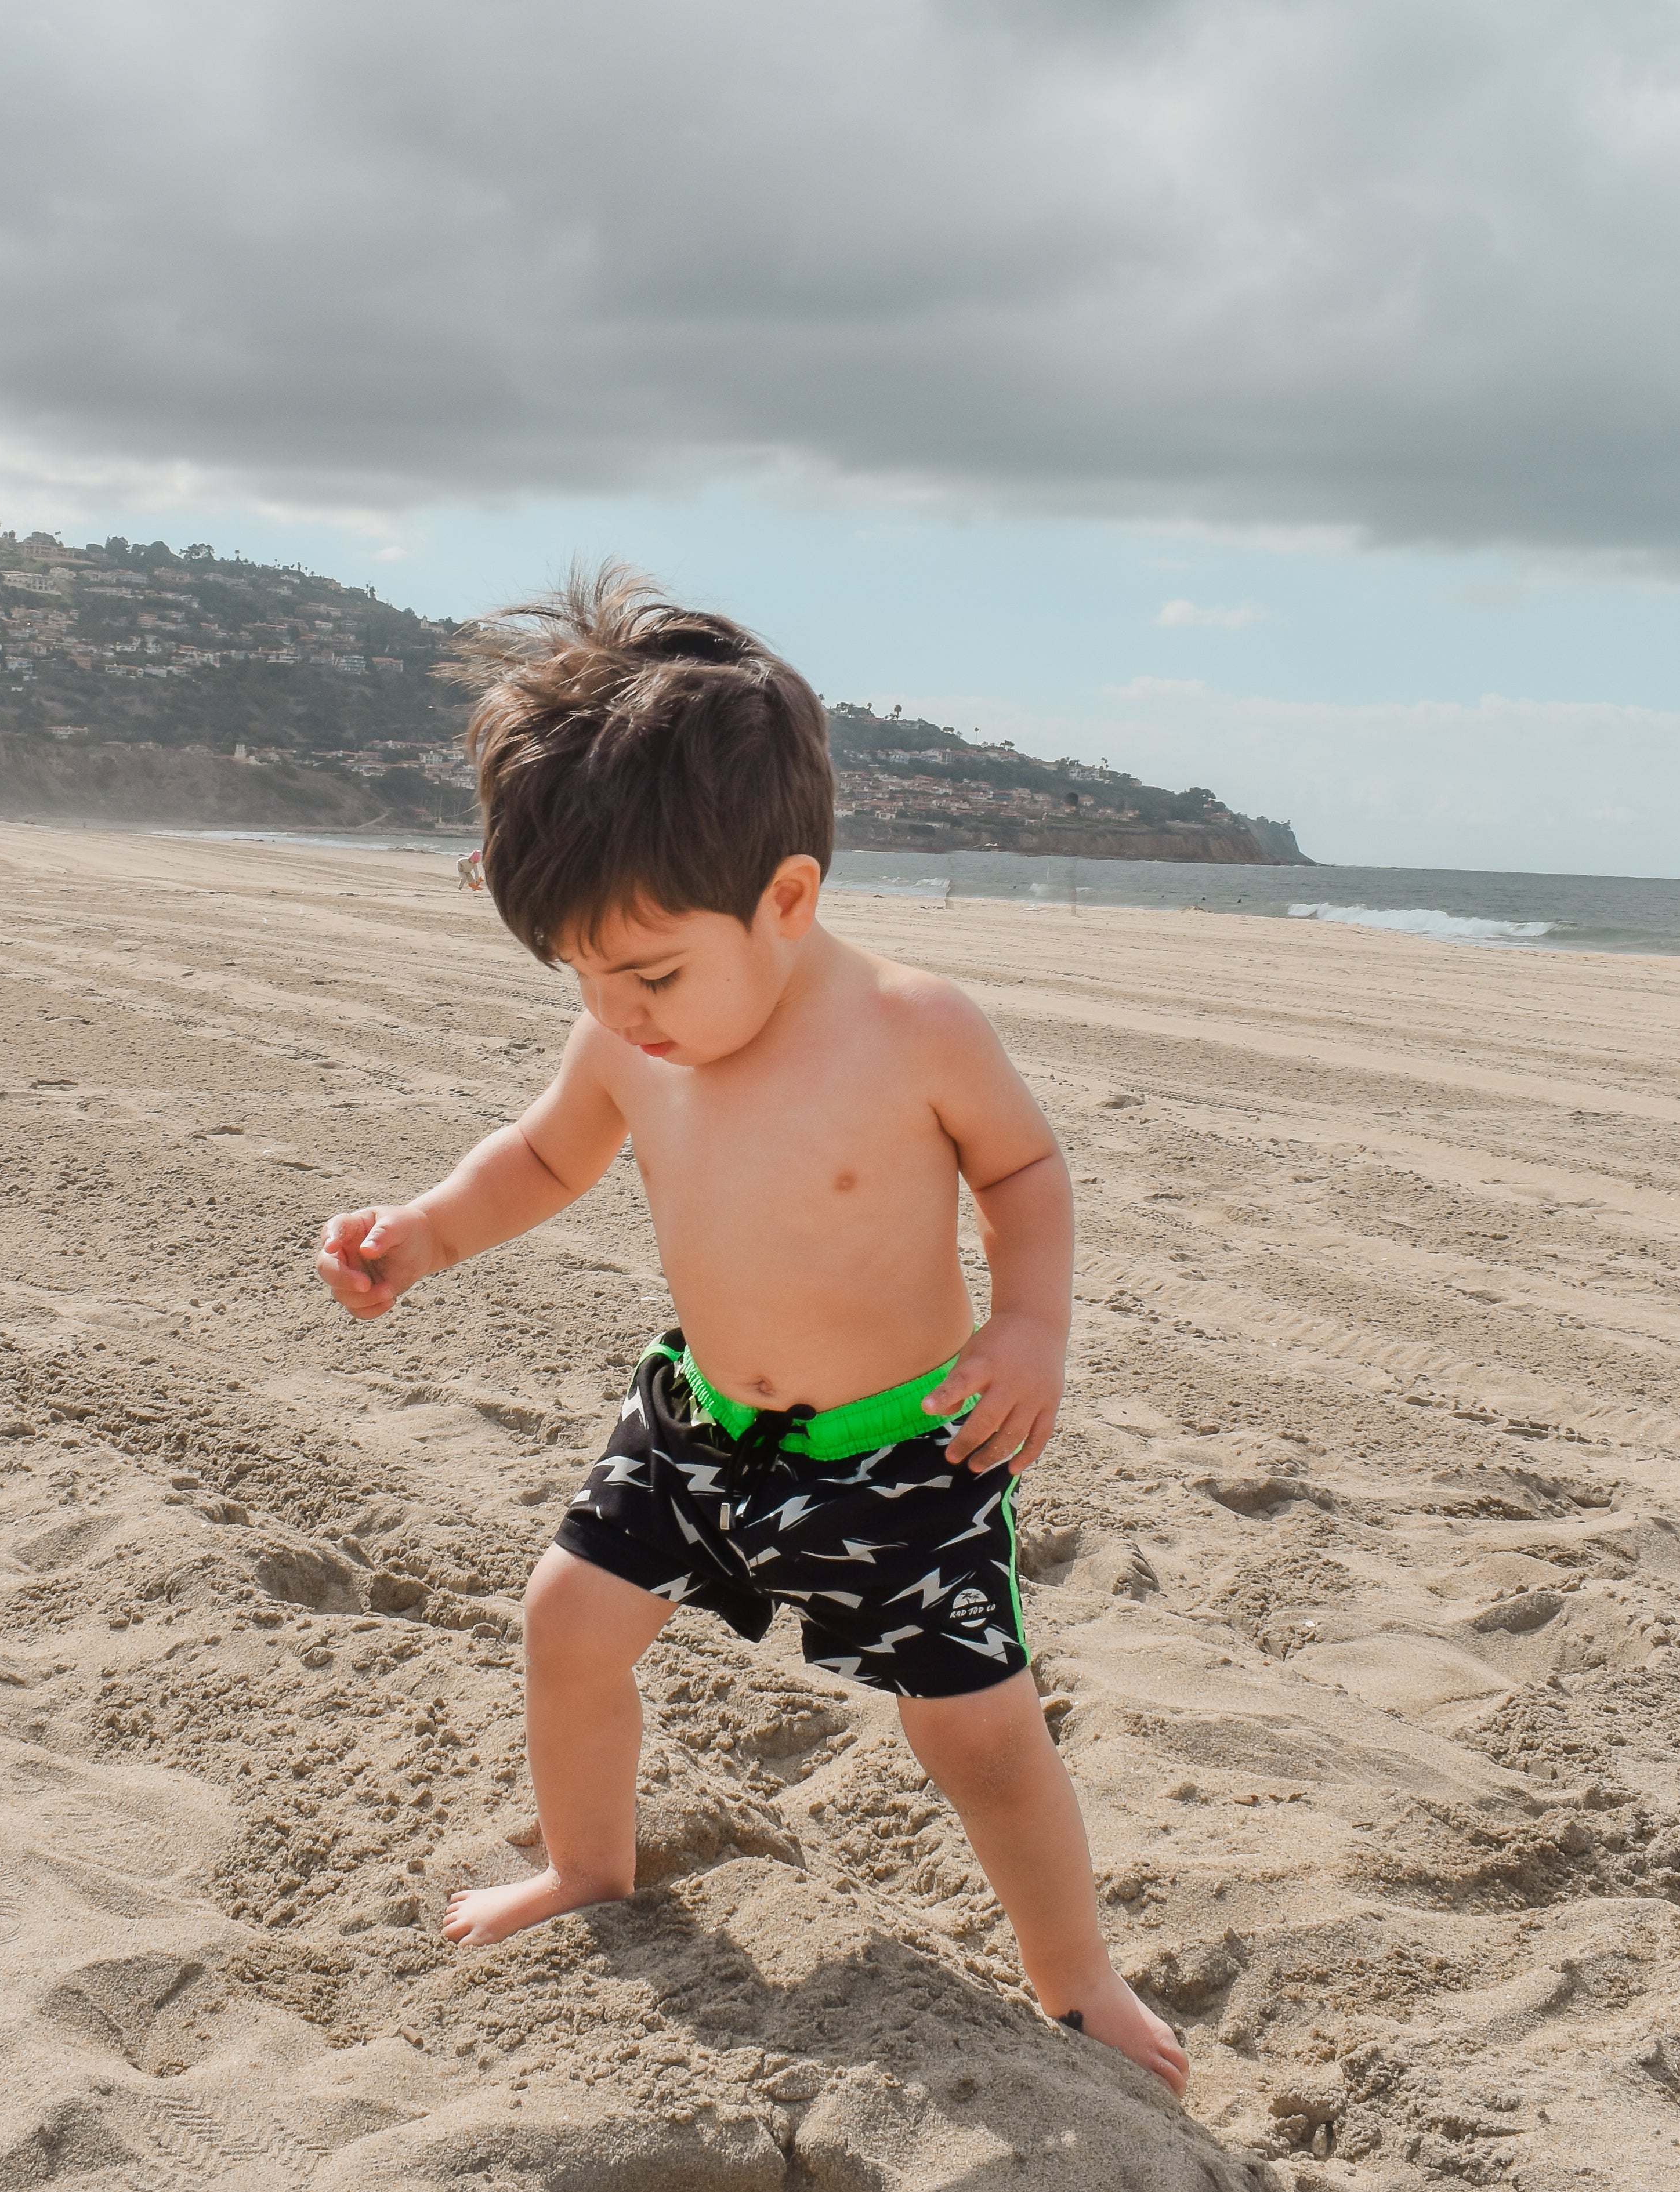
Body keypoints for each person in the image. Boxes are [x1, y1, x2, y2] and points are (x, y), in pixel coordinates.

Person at [316, 568, 1187, 2097]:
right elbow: (541, 1156)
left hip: (899, 1457)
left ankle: (1077, 1980)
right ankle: (589, 1862)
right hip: (698, 1427)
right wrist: (423, 1233)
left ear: (785, 901)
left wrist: (1031, 1327)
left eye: (650, 973)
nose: (622, 1012)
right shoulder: (624, 1035)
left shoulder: (913, 1030)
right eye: (584, 976)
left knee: (975, 1739)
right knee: (565, 1629)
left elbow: (1024, 1174)